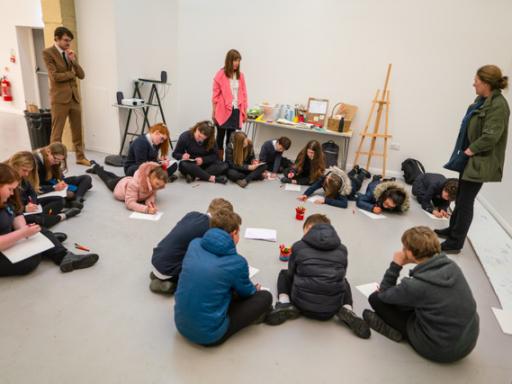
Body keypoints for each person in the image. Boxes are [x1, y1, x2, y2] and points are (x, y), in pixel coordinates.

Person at [364, 226, 479, 363]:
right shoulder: (452, 266)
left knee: (375, 299)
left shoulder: (415, 286)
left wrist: (396, 265)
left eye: (404, 248)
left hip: (440, 349)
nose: (402, 250)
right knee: (419, 301)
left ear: (411, 254)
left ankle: (396, 332)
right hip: (467, 341)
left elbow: (383, 294)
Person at [174, 209, 272, 346]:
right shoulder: (237, 262)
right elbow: (247, 293)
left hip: (180, 325)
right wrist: (254, 289)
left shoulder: (194, 244)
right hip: (209, 336)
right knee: (265, 297)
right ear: (234, 233)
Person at [264, 214, 369, 338]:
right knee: (343, 280)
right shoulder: (342, 249)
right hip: (332, 308)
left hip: (300, 304)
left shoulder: (298, 246)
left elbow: (292, 273)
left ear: (308, 227)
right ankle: (347, 309)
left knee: (284, 274)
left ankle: (284, 303)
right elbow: (342, 273)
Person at [440, 65, 509, 253]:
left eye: (476, 81)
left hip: (481, 161)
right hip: (471, 159)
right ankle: (452, 230)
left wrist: (469, 151)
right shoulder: (482, 100)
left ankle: (455, 243)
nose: (473, 84)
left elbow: (491, 137)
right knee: (461, 197)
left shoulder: (498, 106)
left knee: (465, 202)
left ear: (486, 83)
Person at [0, 164, 98, 276]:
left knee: (38, 229)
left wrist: (23, 230)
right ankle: (47, 245)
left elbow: (17, 213)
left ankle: (63, 255)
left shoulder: (7, 197)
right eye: (10, 189)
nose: (12, 193)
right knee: (30, 262)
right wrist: (22, 234)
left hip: (8, 238)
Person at [150, 198, 234, 294]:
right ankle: (170, 284)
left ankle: (158, 276)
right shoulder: (210, 230)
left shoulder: (192, 214)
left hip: (157, 258)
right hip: (169, 269)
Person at [42, 26, 90, 166]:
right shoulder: (48, 53)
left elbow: (81, 75)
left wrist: (73, 61)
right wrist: (71, 74)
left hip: (74, 98)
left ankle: (80, 157)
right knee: (57, 132)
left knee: (77, 130)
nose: (68, 44)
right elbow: (55, 76)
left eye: (70, 41)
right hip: (59, 99)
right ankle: (53, 160)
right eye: (66, 40)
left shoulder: (69, 53)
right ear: (56, 39)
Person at [7, 151, 80, 229]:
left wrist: (32, 203)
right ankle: (62, 216)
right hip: (19, 212)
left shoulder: (22, 177)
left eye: (29, 171)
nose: (26, 174)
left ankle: (45, 218)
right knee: (34, 219)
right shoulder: (7, 180)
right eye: (24, 170)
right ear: (15, 165)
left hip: (29, 206)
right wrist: (24, 208)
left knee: (59, 200)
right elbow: (7, 207)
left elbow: (32, 192)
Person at [87, 162, 166, 214]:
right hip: (118, 186)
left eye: (160, 186)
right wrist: (146, 209)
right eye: (157, 184)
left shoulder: (153, 184)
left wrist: (150, 203)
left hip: (126, 181)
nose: (157, 187)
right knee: (108, 179)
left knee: (113, 176)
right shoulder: (135, 185)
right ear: (151, 176)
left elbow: (151, 195)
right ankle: (96, 167)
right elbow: (129, 203)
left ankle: (99, 170)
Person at [212, 49, 248, 159]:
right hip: (222, 110)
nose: (237, 63)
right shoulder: (220, 74)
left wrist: (245, 112)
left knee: (231, 137)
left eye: (238, 61)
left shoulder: (240, 76)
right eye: (235, 60)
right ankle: (218, 161)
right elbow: (215, 96)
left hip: (236, 110)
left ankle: (228, 161)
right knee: (220, 137)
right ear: (229, 60)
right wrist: (214, 112)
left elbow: (244, 95)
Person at [34, 143, 92, 209]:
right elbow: (35, 189)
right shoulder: (36, 162)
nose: (57, 162)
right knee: (70, 194)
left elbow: (59, 177)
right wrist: (54, 188)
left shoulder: (53, 160)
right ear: (48, 152)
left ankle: (77, 199)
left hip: (54, 183)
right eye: (55, 159)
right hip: (45, 189)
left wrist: (61, 182)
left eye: (60, 160)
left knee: (86, 178)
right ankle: (79, 194)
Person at [298, 165, 370, 208]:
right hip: (345, 177)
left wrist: (325, 200)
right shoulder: (326, 178)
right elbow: (314, 186)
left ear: (333, 189)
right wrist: (305, 194)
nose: (322, 183)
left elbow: (344, 204)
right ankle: (355, 169)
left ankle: (362, 173)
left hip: (354, 184)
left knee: (358, 180)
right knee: (349, 175)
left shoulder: (341, 191)